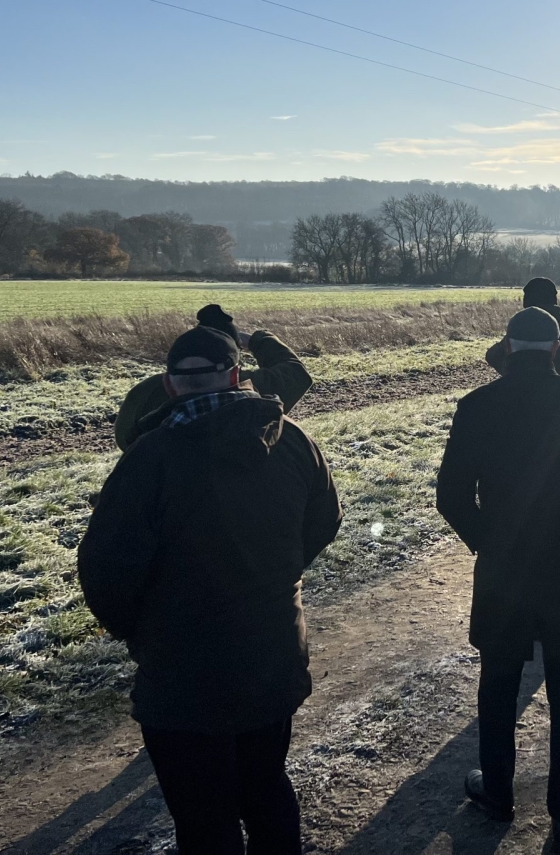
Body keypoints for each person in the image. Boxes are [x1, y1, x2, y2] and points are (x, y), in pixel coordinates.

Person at [79, 325, 342, 855]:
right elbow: (325, 519)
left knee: (204, 818)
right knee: (267, 790)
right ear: (237, 376)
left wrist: (137, 631)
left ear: (169, 385)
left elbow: (105, 568)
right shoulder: (292, 438)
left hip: (182, 673)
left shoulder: (149, 457)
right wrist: (275, 575)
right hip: (272, 654)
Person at [439, 307, 560, 854]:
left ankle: (497, 792)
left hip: (503, 567)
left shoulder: (476, 406)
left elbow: (450, 495)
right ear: (555, 348)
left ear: (507, 347)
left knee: (498, 682)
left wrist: (487, 541)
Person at [114, 303, 313, 451]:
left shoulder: (145, 390)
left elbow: (124, 438)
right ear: (234, 374)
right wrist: (255, 341)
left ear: (169, 383)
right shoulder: (251, 386)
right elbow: (296, 373)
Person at [485, 276, 560, 382]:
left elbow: (492, 356)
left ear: (526, 303)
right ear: (554, 300)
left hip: (523, 399)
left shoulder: (518, 338)